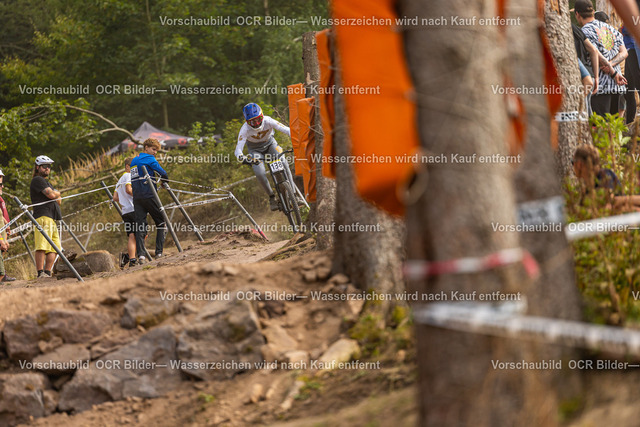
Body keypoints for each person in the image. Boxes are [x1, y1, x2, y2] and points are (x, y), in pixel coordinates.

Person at [234, 103, 293, 211]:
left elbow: (287, 130)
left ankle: (294, 195)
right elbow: (238, 150)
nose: (256, 124)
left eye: (258, 119)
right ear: (247, 122)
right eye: (252, 122)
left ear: (262, 115)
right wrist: (243, 158)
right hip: (255, 150)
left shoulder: (268, 120)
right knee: (259, 172)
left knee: (284, 162)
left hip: (271, 144)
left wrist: (298, 140)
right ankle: (272, 197)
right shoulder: (244, 129)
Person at [575, 0, 629, 116]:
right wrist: (611, 64)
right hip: (616, 85)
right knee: (614, 125)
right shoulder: (611, 28)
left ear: (577, 14)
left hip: (599, 87)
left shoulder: (584, 32)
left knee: (599, 125)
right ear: (593, 12)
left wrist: (607, 66)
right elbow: (624, 53)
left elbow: (594, 54)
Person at [130, 138, 168, 265]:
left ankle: (141, 256)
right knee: (161, 222)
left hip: (137, 198)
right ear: (146, 147)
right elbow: (163, 173)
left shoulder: (134, 161)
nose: (155, 152)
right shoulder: (149, 159)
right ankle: (159, 253)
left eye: (156, 150)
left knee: (140, 226)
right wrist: (164, 182)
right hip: (149, 195)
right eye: (153, 149)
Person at [573, 145, 640, 211]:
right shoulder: (588, 184)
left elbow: (606, 206)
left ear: (579, 164)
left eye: (572, 162)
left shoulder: (604, 175)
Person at [30, 156, 61, 278]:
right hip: (42, 216)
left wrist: (55, 194)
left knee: (55, 248)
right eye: (44, 166)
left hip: (51, 217)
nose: (47, 168)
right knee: (42, 246)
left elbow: (59, 201)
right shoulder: (37, 180)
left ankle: (47, 272)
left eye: (49, 166)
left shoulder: (47, 183)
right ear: (38, 167)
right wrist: (57, 193)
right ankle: (40, 273)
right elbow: (52, 195)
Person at [113, 157, 138, 268]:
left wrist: (124, 200)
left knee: (132, 235)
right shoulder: (128, 175)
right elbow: (128, 189)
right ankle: (132, 257)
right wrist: (139, 196)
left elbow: (115, 197)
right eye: (134, 166)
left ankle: (130, 258)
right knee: (142, 234)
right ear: (128, 166)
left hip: (125, 211)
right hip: (133, 208)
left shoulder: (119, 180)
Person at [0, 169, 16, 282]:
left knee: (4, 249)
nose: (2, 186)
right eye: (0, 184)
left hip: (2, 229)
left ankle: (3, 273)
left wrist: (6, 223)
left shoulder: (1, 197)